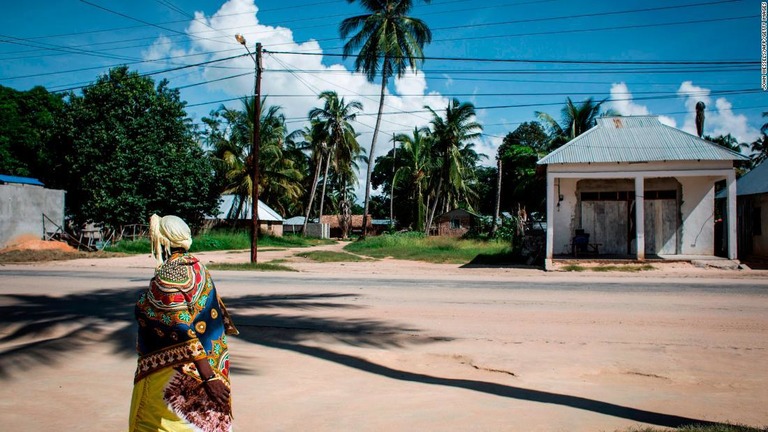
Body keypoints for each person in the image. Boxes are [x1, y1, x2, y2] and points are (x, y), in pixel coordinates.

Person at [129, 214, 238, 432]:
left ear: (162, 241)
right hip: (208, 363)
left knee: (162, 424)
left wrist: (208, 378)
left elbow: (181, 328)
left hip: (175, 370)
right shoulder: (197, 267)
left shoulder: (168, 276)